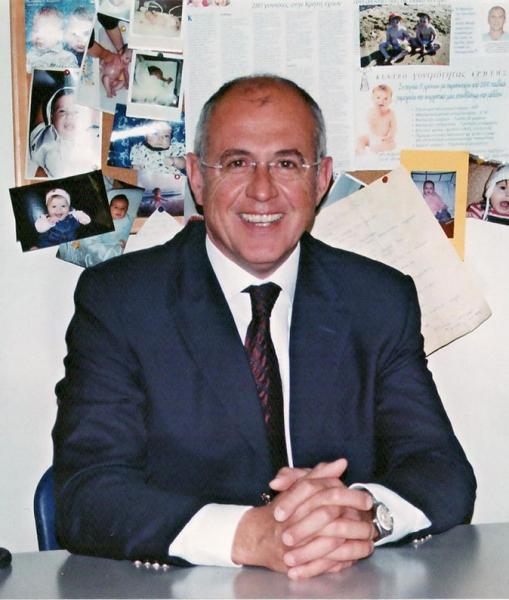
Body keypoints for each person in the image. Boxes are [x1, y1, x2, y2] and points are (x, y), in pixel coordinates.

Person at [53, 75, 475, 580]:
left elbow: (441, 470)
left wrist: (364, 516)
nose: (261, 190)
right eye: (236, 163)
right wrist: (248, 535)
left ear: (321, 179)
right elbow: (87, 493)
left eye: (287, 164)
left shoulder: (379, 300)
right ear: (197, 177)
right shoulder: (120, 302)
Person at [29, 87, 100, 179]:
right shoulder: (46, 142)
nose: (69, 116)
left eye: (76, 112)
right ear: (51, 118)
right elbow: (38, 127)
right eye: (62, 111)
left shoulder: (94, 137)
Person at [58, 194, 133, 267]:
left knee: (104, 251)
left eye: (123, 208)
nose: (119, 210)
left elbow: (127, 233)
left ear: (127, 210)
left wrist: (125, 241)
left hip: (113, 244)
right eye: (116, 207)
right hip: (97, 239)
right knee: (85, 242)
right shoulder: (104, 217)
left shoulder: (126, 221)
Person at [26, 5, 79, 72]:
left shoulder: (67, 58)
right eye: (35, 30)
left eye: (45, 31)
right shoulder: (29, 56)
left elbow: (74, 77)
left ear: (59, 35)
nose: (39, 35)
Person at [356, 84, 396, 154]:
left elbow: (393, 127)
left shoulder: (390, 113)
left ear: (390, 101)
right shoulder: (371, 111)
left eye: (385, 98)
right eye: (378, 98)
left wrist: (390, 135)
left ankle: (375, 149)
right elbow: (369, 122)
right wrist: (377, 111)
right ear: (373, 99)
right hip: (372, 137)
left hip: (383, 139)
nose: (381, 101)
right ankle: (361, 150)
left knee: (392, 145)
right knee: (360, 139)